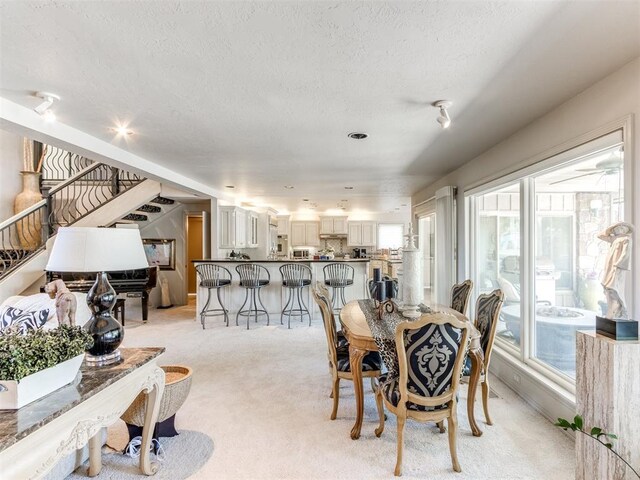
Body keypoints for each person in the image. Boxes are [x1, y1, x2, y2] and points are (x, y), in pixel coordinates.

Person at [598, 222, 633, 319]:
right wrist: (610, 228)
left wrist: (619, 263)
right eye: (616, 228)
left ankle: (618, 307)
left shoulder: (626, 239)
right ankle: (612, 311)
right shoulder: (614, 239)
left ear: (625, 229)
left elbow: (626, 253)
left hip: (617, 267)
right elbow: (600, 236)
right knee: (607, 288)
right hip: (610, 266)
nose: (618, 229)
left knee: (613, 287)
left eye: (621, 227)